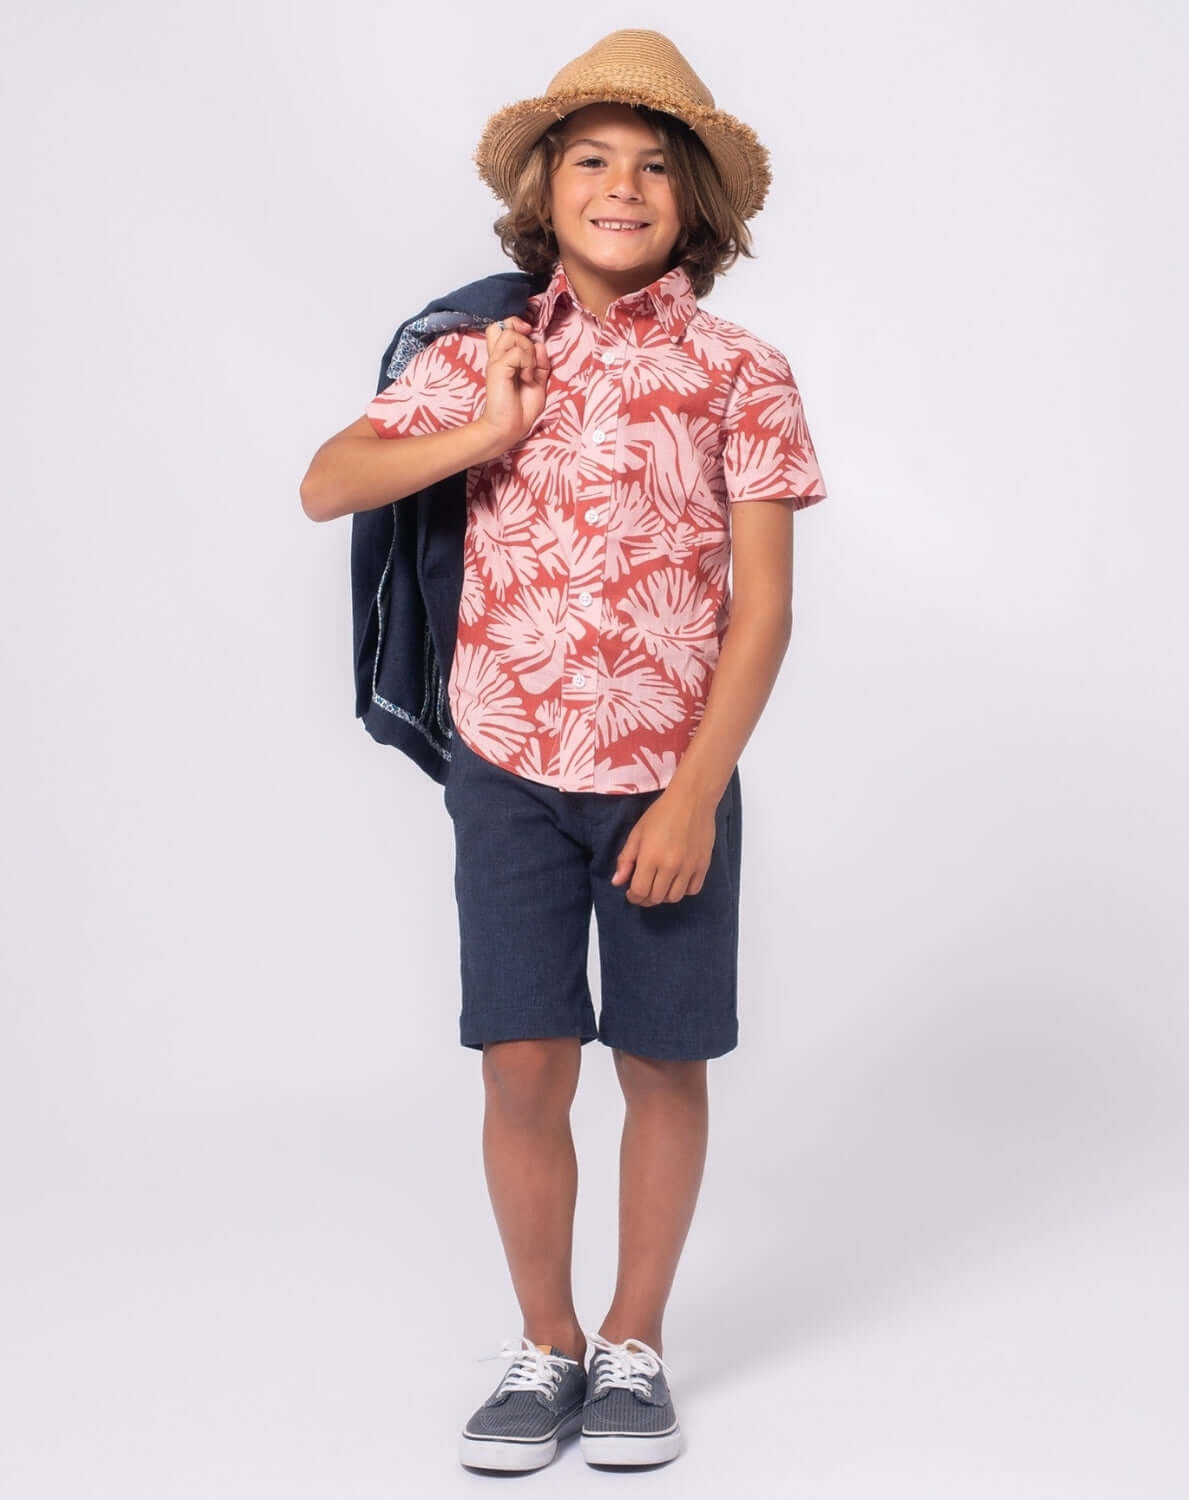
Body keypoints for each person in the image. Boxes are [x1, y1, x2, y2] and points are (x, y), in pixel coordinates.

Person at [300, 27, 827, 1474]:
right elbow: (328, 480)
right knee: (522, 1063)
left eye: (658, 167)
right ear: (544, 189)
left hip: (670, 778)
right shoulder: (487, 353)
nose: (623, 184)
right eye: (592, 158)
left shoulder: (744, 371)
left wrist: (699, 792)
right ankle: (547, 1346)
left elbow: (765, 609)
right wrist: (481, 430)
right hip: (511, 773)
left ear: (697, 209)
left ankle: (635, 1338)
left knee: (663, 1061)